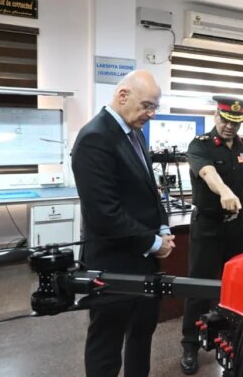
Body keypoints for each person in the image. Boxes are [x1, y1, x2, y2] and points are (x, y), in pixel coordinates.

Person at [71, 70, 175, 377]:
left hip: (144, 264)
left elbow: (151, 190)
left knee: (142, 337)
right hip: (112, 265)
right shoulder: (95, 138)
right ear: (123, 96)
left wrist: (164, 228)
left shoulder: (135, 133)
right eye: (147, 105)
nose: (151, 114)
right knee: (107, 343)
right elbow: (104, 213)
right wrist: (153, 243)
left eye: (155, 107)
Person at [180, 96, 243, 374]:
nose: (229, 127)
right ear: (216, 116)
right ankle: (190, 344)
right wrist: (225, 191)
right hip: (208, 226)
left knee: (235, 287)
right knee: (199, 287)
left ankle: (233, 341)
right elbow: (207, 172)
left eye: (235, 122)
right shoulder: (200, 145)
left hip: (236, 227)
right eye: (225, 120)